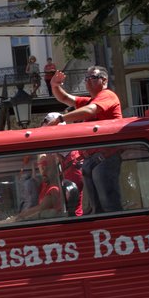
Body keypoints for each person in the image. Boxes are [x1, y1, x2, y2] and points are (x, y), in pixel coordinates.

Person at [46, 66, 124, 214]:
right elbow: (64, 98)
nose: (88, 81)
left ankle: (116, 232)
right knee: (98, 207)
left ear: (104, 80)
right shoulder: (90, 101)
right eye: (86, 78)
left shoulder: (107, 95)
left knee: (109, 205)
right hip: (93, 159)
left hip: (105, 157)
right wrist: (54, 85)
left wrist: (61, 118)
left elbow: (90, 110)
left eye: (92, 78)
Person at [0, 154, 63, 222]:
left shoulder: (54, 189)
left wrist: (18, 217)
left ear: (55, 169)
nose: (43, 171)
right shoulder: (44, 185)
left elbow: (41, 208)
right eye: (40, 166)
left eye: (47, 168)